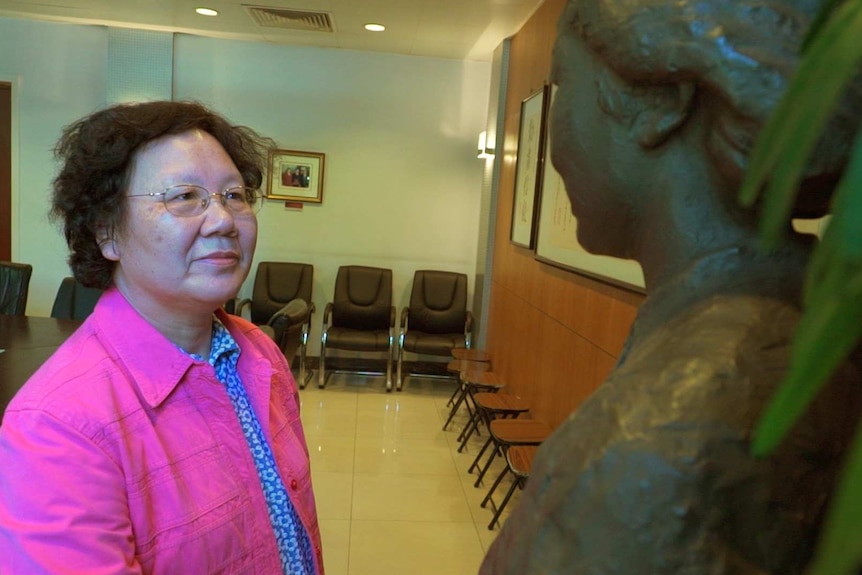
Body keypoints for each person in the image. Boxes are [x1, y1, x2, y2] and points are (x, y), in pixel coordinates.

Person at [480, 0, 862, 573]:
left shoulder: (653, 456)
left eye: (563, 85)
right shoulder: (803, 329)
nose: (553, 145)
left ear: (662, 105)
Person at [0, 101, 324, 574]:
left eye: (234, 195)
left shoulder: (259, 352)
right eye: (184, 196)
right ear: (107, 232)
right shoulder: (57, 426)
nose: (224, 220)